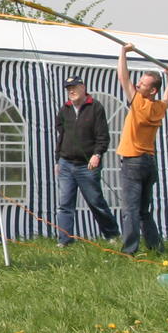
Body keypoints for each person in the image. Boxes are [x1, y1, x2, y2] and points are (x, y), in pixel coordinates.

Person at [115, 43, 168, 255]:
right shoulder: (158, 108)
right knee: (143, 211)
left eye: (142, 84)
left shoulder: (139, 102)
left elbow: (123, 77)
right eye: (139, 82)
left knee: (130, 210)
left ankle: (129, 250)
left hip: (133, 160)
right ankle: (156, 247)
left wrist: (123, 52)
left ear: (152, 91)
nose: (138, 85)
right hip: (149, 162)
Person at [54, 76, 119, 245]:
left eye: (74, 87)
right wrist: (57, 159)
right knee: (64, 204)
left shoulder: (95, 107)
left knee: (95, 201)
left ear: (83, 87)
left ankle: (112, 235)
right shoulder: (65, 109)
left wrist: (97, 155)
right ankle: (64, 240)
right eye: (68, 89)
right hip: (66, 163)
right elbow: (61, 136)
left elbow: (103, 136)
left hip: (87, 165)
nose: (71, 91)